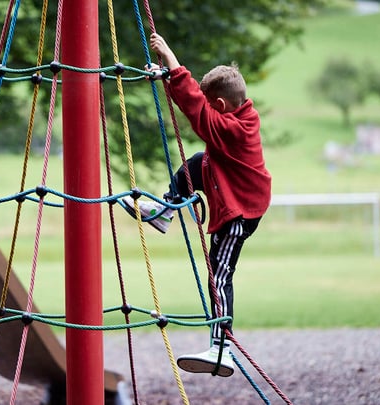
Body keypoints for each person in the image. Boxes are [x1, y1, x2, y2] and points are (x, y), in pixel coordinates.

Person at [122, 33, 271, 377]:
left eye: (209, 101)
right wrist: (167, 78)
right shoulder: (236, 118)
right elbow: (196, 103)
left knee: (219, 277)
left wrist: (172, 62)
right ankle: (165, 211)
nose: (205, 105)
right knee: (195, 163)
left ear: (220, 105)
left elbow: (197, 110)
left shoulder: (234, 130)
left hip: (240, 211)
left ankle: (223, 349)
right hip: (227, 185)